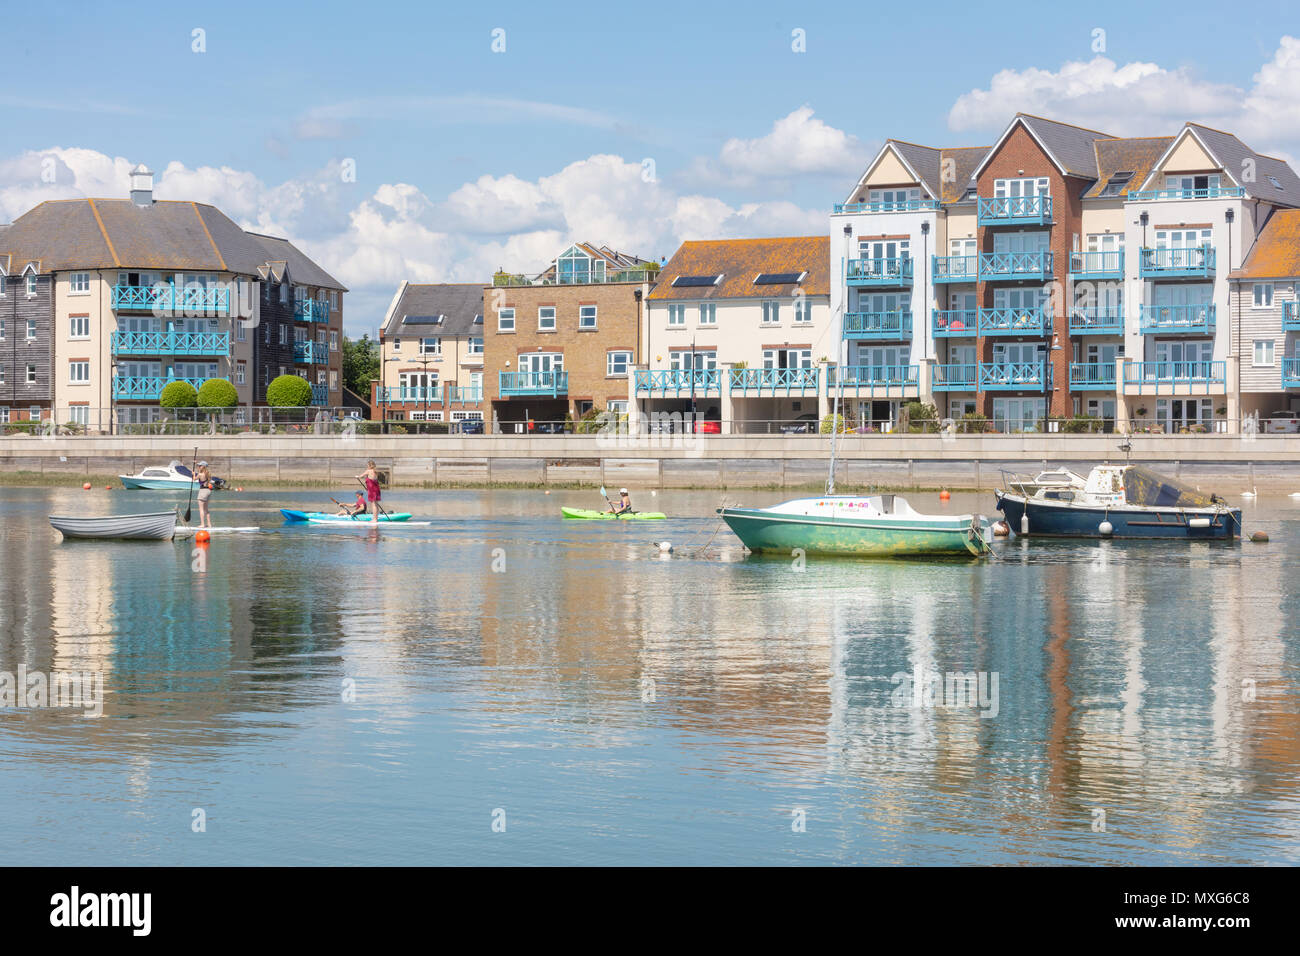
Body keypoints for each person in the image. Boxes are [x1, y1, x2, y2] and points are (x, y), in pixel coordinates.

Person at [195, 461, 214, 529]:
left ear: (203, 466)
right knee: (206, 509)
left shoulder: (200, 474)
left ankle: (202, 524)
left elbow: (194, 479)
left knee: (201, 509)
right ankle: (209, 524)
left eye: (200, 466)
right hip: (208, 491)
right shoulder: (208, 474)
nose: (198, 467)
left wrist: (193, 474)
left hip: (203, 491)